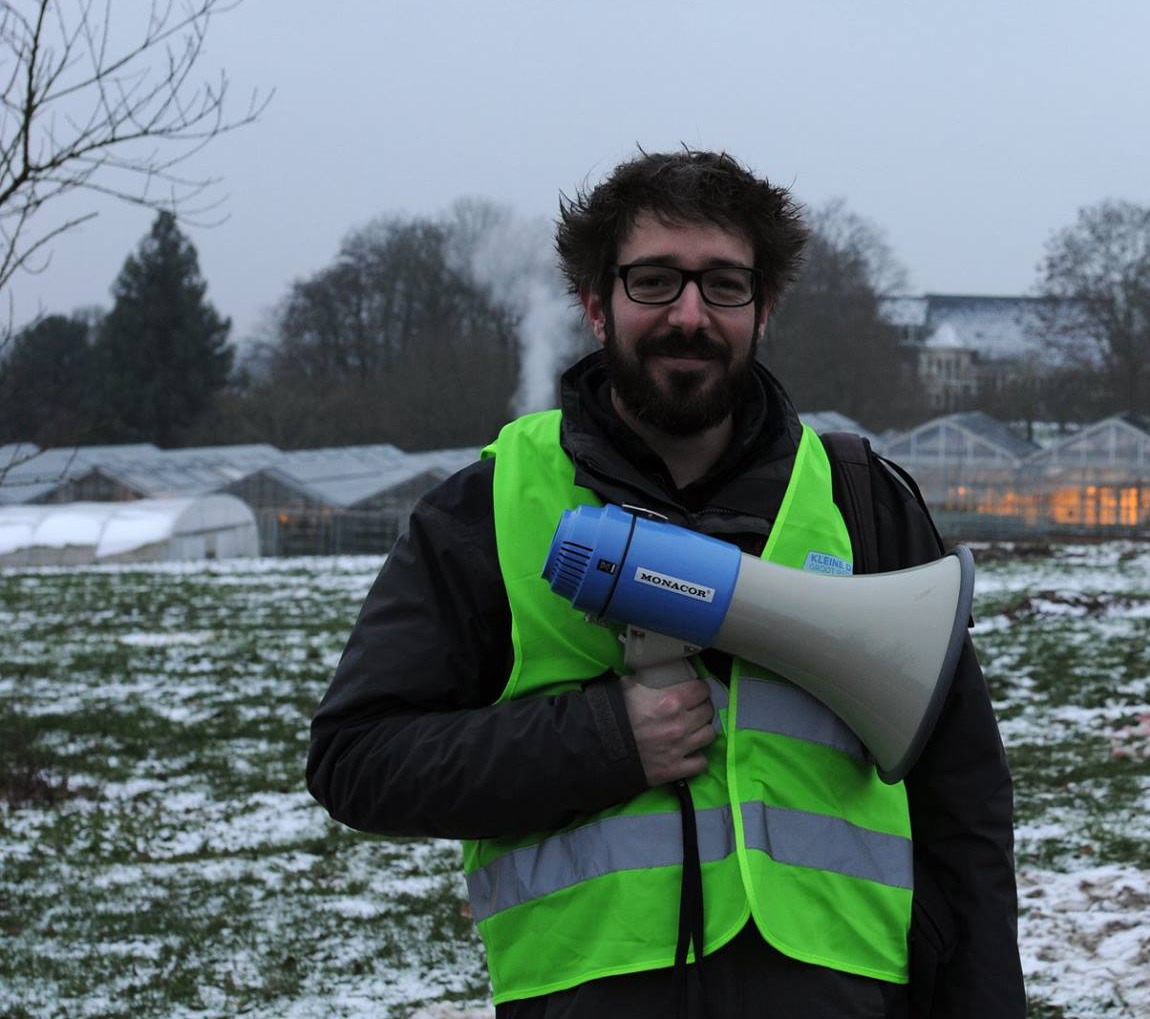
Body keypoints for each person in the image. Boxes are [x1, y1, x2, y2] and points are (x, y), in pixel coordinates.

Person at [305, 149, 1023, 1018]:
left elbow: (965, 804)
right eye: (653, 281)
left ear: (765, 310)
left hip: (839, 993)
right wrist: (604, 740)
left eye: (724, 284)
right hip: (589, 995)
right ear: (595, 305)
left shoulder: (861, 502)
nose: (689, 314)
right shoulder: (488, 508)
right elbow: (356, 760)